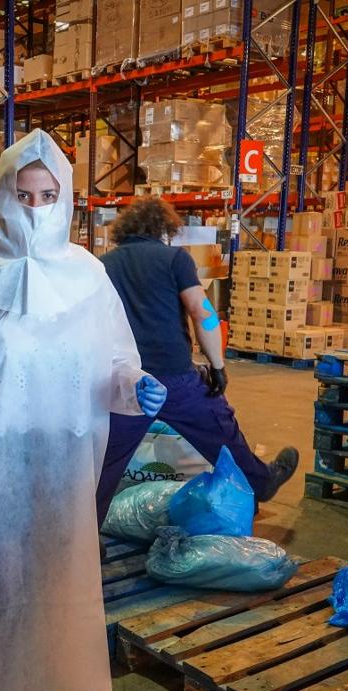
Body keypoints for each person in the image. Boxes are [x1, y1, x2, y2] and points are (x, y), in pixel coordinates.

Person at [0, 129, 168, 691]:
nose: (34, 208)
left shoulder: (88, 276)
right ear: (4, 196)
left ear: (65, 200)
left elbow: (112, 360)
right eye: (23, 193)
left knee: (51, 593)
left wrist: (133, 385)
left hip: (64, 468)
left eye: (48, 195)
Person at [95, 197, 298, 526]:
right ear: (164, 228)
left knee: (104, 461)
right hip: (174, 376)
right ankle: (261, 482)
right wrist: (216, 364)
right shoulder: (175, 258)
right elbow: (201, 312)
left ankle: (86, 538)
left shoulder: (103, 264)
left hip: (126, 381)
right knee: (220, 429)